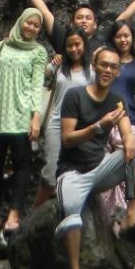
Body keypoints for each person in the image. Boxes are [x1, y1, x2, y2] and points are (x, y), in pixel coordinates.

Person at [56, 47, 135, 269]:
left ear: (118, 72)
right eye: (103, 65)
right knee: (72, 217)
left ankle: (130, 216)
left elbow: (127, 131)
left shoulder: (116, 100)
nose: (107, 70)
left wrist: (128, 141)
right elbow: (67, 138)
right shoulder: (74, 95)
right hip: (73, 173)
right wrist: (99, 126)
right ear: (94, 66)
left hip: (102, 170)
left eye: (113, 67)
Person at [0, 7, 47, 234]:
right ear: (21, 22)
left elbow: (37, 85)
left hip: (21, 114)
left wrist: (36, 118)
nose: (32, 28)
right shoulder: (2, 46)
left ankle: (14, 213)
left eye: (36, 25)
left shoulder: (38, 52)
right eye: (29, 23)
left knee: (22, 165)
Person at [36, 28, 92, 205]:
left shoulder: (92, 71)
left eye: (77, 44)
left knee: (77, 173)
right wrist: (53, 64)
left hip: (80, 128)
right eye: (69, 45)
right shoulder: (60, 67)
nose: (74, 49)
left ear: (84, 45)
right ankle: (34, 213)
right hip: (56, 124)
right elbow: (39, 79)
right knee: (51, 173)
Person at [106, 19, 135, 127]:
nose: (123, 40)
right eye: (118, 36)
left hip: (129, 115)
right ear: (113, 39)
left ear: (132, 37)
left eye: (126, 36)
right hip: (104, 115)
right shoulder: (106, 60)